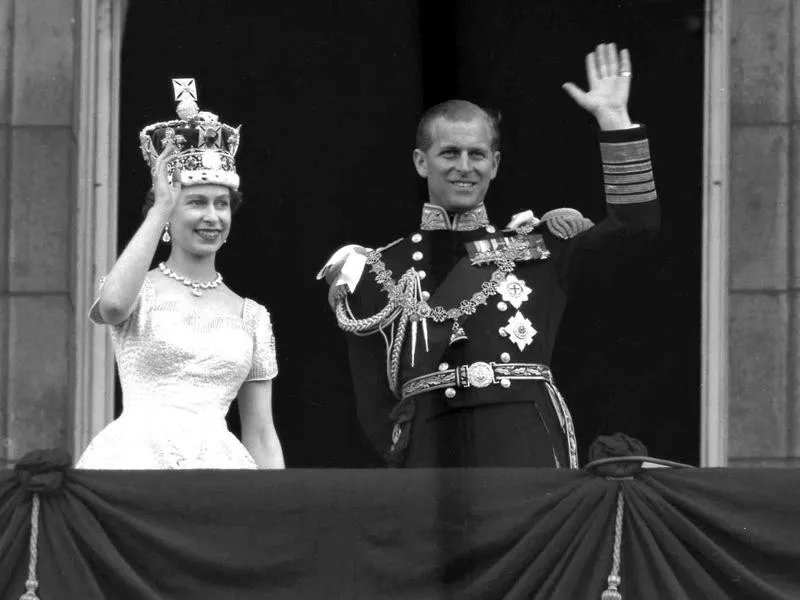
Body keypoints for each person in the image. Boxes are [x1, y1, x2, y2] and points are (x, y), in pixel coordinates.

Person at [319, 43, 659, 468]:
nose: (465, 166)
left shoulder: (539, 248)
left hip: (524, 448)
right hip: (428, 455)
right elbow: (371, 401)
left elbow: (636, 228)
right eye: (450, 153)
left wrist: (614, 120)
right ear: (421, 162)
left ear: (495, 164)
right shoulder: (376, 269)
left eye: (477, 154)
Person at [77, 79, 284, 469]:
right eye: (196, 203)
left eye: (222, 204)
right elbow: (113, 306)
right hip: (133, 464)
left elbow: (260, 432)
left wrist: (281, 515)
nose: (212, 216)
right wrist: (161, 207)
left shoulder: (252, 316)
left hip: (219, 470)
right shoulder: (138, 289)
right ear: (169, 212)